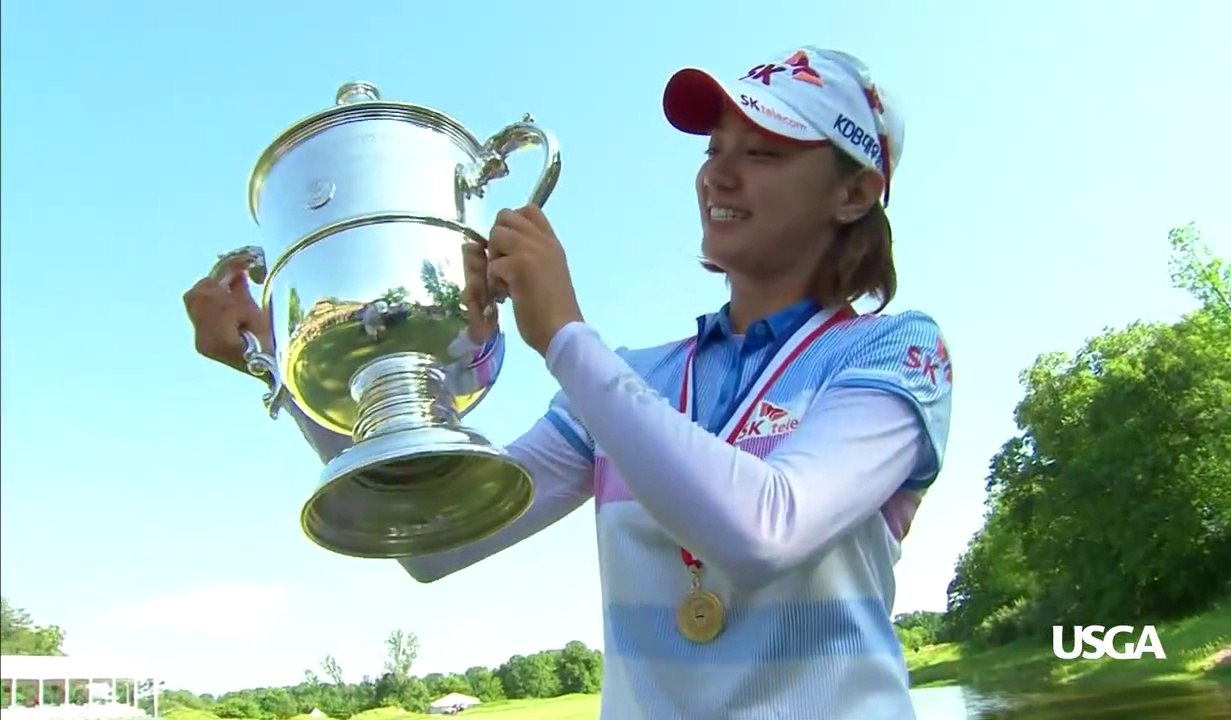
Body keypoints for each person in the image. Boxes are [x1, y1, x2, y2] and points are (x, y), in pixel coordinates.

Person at [184, 45, 952, 720]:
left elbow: (766, 530)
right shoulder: (632, 381)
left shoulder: (893, 352)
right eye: (715, 147)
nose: (718, 173)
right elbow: (430, 540)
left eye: (764, 154)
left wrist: (564, 336)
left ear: (853, 194)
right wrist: (288, 363)